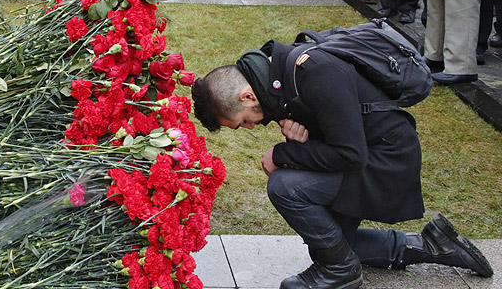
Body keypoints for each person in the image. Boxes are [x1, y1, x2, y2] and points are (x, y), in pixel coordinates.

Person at [192, 44, 493, 289]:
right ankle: (431, 244)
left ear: (247, 95)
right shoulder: (282, 74)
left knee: (285, 188)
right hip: (369, 155)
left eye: (244, 121)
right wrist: (303, 145)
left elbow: (351, 154)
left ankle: (340, 270)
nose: (250, 128)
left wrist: (285, 153)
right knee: (330, 242)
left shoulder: (314, 72)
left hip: (386, 163)